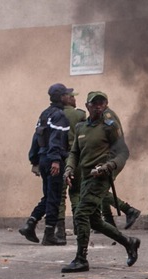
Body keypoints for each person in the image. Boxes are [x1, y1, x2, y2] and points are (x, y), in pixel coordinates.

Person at [61, 91, 140, 273]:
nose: (98, 107)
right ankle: (129, 242)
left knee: (81, 214)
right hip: (85, 178)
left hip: (101, 178)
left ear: (105, 105)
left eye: (101, 103)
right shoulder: (81, 127)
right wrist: (69, 168)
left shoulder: (109, 127)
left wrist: (109, 166)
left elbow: (123, 152)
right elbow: (74, 153)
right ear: (87, 106)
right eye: (94, 103)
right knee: (95, 221)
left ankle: (81, 259)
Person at [22, 83, 72, 246]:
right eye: (66, 94)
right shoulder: (60, 116)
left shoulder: (45, 114)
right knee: (55, 197)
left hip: (43, 158)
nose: (69, 97)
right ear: (61, 97)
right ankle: (49, 234)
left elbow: (36, 138)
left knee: (49, 195)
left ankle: (31, 223)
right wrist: (56, 160)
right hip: (53, 160)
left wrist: (34, 159)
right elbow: (56, 139)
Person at [58, 90, 86, 245]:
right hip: (76, 157)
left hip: (59, 157)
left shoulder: (56, 114)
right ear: (68, 99)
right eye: (73, 97)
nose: (75, 99)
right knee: (76, 192)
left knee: (60, 196)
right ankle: (78, 225)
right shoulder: (79, 115)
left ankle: (60, 231)